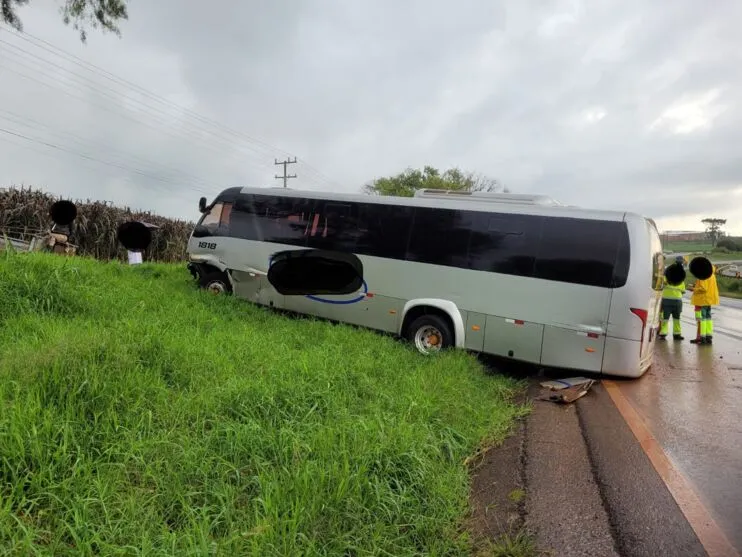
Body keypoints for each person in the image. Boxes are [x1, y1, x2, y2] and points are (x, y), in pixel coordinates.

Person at [689, 257, 720, 345]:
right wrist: (696, 285)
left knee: (702, 319)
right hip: (709, 300)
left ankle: (702, 338)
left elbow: (703, 288)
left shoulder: (702, 275)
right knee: (708, 318)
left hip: (703, 300)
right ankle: (708, 336)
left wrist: (693, 289)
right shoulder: (712, 274)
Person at [659, 261, 686, 341]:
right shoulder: (680, 281)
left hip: (666, 301)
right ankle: (677, 334)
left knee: (665, 318)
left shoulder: (665, 279)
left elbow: (660, 286)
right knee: (676, 319)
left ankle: (663, 333)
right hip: (677, 302)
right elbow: (683, 291)